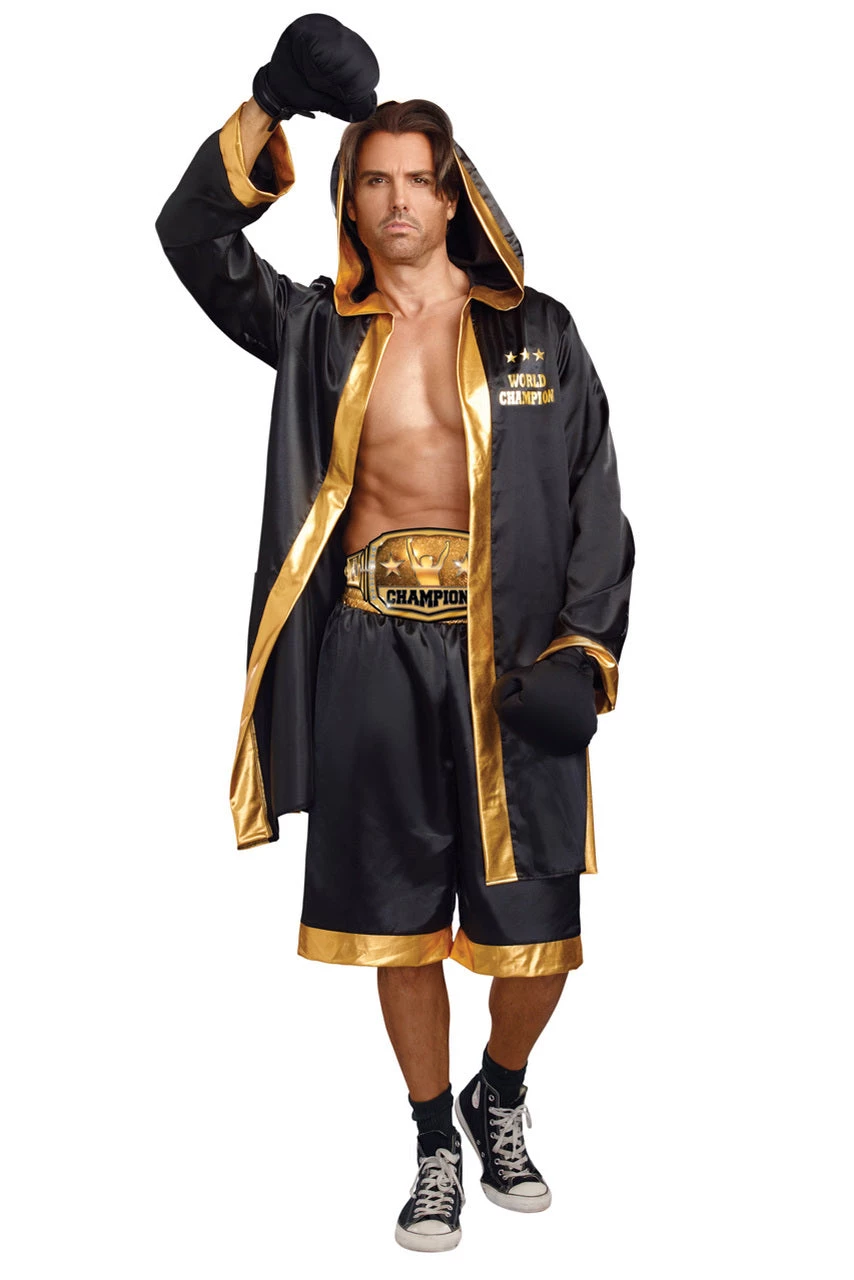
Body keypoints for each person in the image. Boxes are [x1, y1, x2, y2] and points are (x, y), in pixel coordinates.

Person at [156, 13, 634, 1254]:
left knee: (536, 939)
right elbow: (191, 238)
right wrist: (266, 101)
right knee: (397, 919)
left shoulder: (536, 330)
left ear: (453, 190)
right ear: (349, 197)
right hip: (371, 650)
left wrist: (584, 650)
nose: (397, 201)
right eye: (373, 180)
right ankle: (432, 1136)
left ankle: (498, 1091)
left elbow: (594, 496)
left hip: (509, 662)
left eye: (417, 179)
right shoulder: (316, 328)